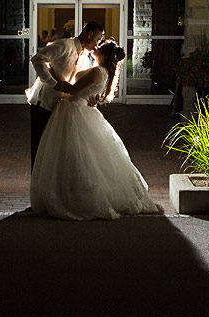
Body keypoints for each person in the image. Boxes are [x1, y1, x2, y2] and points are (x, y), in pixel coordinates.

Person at [30, 40, 161, 220]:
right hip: (77, 108)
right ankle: (69, 189)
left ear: (104, 55)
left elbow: (73, 89)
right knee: (76, 153)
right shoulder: (101, 70)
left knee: (75, 153)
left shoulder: (98, 71)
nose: (96, 47)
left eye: (100, 47)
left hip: (74, 109)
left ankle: (75, 194)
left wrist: (52, 72)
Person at [27, 21, 104, 167]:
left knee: (52, 151)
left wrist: (91, 99)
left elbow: (80, 85)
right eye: (97, 40)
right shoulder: (64, 45)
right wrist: (53, 83)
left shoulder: (85, 57)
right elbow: (37, 59)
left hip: (60, 108)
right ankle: (37, 187)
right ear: (89, 34)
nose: (97, 45)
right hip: (43, 103)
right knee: (39, 149)